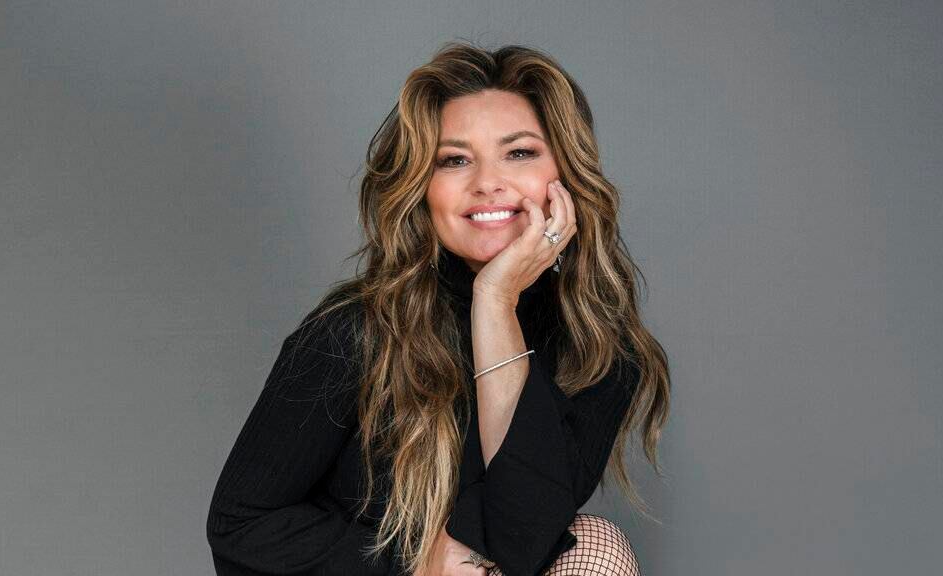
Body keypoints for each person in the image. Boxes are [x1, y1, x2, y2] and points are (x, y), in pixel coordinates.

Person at [206, 41, 671, 576]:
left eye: (519, 153)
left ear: (566, 173)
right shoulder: (354, 333)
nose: (487, 182)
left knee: (597, 545)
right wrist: (414, 563)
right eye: (454, 160)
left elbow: (523, 536)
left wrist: (495, 302)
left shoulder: (600, 352)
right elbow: (240, 525)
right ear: (423, 189)